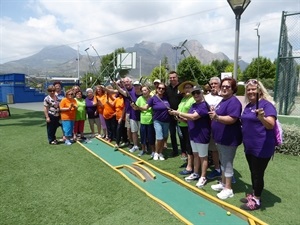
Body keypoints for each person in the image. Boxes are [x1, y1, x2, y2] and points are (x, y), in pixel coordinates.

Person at [240, 79, 277, 211]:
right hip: (249, 146)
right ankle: (254, 193)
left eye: (253, 89)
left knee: (257, 173)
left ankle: (257, 199)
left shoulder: (266, 105)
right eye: (248, 90)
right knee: (253, 171)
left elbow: (270, 125)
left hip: (262, 146)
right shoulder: (249, 105)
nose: (250, 91)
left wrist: (261, 117)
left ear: (259, 90)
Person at [170, 86, 211, 188]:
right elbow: (189, 119)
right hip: (193, 133)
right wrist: (179, 117)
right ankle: (196, 173)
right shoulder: (193, 105)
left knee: (203, 157)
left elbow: (194, 116)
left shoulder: (204, 105)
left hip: (202, 134)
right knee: (196, 155)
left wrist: (178, 112)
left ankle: (203, 177)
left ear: (202, 93)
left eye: (197, 92)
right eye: (194, 93)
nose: (196, 95)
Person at [208, 77, 242, 200]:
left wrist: (217, 117)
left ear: (233, 89)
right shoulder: (223, 100)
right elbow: (219, 114)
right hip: (220, 138)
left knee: (227, 163)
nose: (224, 88)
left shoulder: (234, 102)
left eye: (228, 86)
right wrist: (214, 113)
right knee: (223, 161)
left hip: (229, 139)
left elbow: (232, 119)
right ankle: (223, 183)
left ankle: (228, 189)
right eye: (223, 86)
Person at [138, 83, 171, 160]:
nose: (161, 90)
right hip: (157, 121)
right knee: (159, 137)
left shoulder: (166, 98)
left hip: (166, 121)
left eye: (163, 89)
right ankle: (156, 152)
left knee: (164, 137)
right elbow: (145, 107)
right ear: (156, 89)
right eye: (159, 88)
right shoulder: (153, 98)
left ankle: (161, 152)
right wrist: (138, 107)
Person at [175, 81, 196, 174]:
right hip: (181, 125)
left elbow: (193, 115)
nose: (187, 89)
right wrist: (175, 114)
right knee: (185, 145)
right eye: (186, 88)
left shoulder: (193, 99)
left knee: (190, 146)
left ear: (192, 89)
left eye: (189, 87)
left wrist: (182, 117)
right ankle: (189, 162)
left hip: (189, 126)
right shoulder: (183, 99)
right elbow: (179, 110)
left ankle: (190, 167)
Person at [205, 77, 223, 180]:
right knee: (213, 150)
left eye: (215, 83)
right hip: (209, 127)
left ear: (219, 85)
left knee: (223, 150)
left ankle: (227, 171)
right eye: (211, 84)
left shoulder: (223, 97)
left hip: (221, 127)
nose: (213, 85)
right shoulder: (206, 97)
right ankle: (216, 169)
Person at [165, 71, 184, 157]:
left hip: (180, 115)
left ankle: (184, 151)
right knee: (172, 134)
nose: (172, 79)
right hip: (170, 115)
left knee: (181, 134)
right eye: (170, 78)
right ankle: (175, 151)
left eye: (174, 77)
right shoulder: (167, 88)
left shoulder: (181, 87)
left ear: (177, 77)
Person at [134, 85, 155, 157]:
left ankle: (153, 151)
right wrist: (133, 106)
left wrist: (138, 107)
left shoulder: (152, 98)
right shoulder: (140, 98)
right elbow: (135, 108)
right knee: (143, 137)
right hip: (143, 120)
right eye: (142, 91)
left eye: (145, 90)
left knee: (151, 137)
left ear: (149, 91)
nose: (144, 92)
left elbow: (145, 108)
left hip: (151, 121)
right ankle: (143, 150)